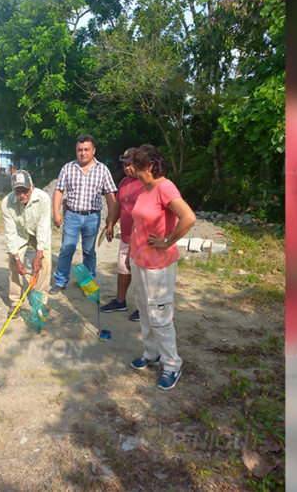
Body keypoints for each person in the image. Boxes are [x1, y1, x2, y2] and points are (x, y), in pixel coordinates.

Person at [127, 145, 195, 390]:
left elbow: (188, 217)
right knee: (145, 311)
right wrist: (130, 255)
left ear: (151, 166)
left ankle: (172, 365)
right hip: (140, 261)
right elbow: (138, 222)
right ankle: (151, 352)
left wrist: (168, 240)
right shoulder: (144, 188)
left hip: (158, 266)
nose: (131, 169)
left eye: (136, 165)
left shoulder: (165, 187)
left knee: (160, 316)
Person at [50, 134, 118, 294]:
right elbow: (59, 190)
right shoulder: (68, 168)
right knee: (67, 248)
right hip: (72, 215)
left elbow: (110, 194)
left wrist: (111, 219)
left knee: (89, 251)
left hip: (93, 217)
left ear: (93, 150)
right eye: (80, 150)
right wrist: (56, 212)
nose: (83, 153)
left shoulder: (102, 169)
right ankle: (60, 281)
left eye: (86, 149)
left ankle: (87, 283)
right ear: (76, 151)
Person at [101, 148, 146, 321]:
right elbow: (118, 205)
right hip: (126, 237)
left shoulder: (145, 184)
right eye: (125, 165)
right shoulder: (124, 182)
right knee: (123, 269)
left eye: (131, 164)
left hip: (141, 239)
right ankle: (120, 301)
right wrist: (111, 224)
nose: (128, 168)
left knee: (140, 273)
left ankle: (143, 308)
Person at [2, 170, 52, 313]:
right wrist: (17, 259)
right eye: (18, 191)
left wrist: (39, 254)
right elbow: (10, 233)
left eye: (25, 190)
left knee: (46, 261)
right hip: (20, 233)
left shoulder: (43, 198)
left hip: (38, 233)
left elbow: (43, 227)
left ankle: (40, 300)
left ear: (32, 187)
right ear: (13, 190)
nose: (22, 195)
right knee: (13, 263)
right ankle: (16, 301)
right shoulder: (7, 203)